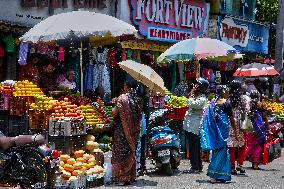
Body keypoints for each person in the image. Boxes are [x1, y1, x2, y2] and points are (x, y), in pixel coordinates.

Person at [200, 85, 238, 183]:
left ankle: (219, 175)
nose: (228, 93)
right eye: (227, 91)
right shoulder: (226, 104)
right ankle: (215, 175)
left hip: (214, 132)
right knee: (222, 152)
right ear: (223, 92)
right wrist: (235, 132)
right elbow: (232, 120)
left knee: (217, 151)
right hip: (223, 131)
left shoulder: (212, 103)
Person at [111, 80, 143, 186]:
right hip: (134, 131)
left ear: (127, 86)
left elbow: (114, 113)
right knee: (131, 152)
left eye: (124, 85)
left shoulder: (122, 98)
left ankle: (121, 178)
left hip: (122, 132)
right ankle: (130, 176)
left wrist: (115, 104)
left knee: (120, 153)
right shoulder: (138, 99)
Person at [183, 78, 209, 174]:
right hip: (190, 126)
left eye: (196, 85)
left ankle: (195, 167)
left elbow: (189, 102)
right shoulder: (198, 97)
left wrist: (192, 91)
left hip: (194, 127)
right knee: (194, 147)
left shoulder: (202, 99)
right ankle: (198, 165)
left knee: (194, 148)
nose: (194, 86)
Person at [245, 90, 270, 170]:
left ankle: (244, 159)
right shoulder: (261, 105)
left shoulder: (248, 105)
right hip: (260, 129)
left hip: (250, 128)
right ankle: (255, 164)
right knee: (258, 146)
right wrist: (268, 128)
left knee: (251, 145)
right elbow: (265, 117)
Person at [228, 80, 246, 174]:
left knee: (231, 145)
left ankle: (232, 167)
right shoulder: (242, 98)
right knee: (242, 144)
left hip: (230, 122)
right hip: (240, 123)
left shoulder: (228, 98)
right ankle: (240, 164)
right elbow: (246, 110)